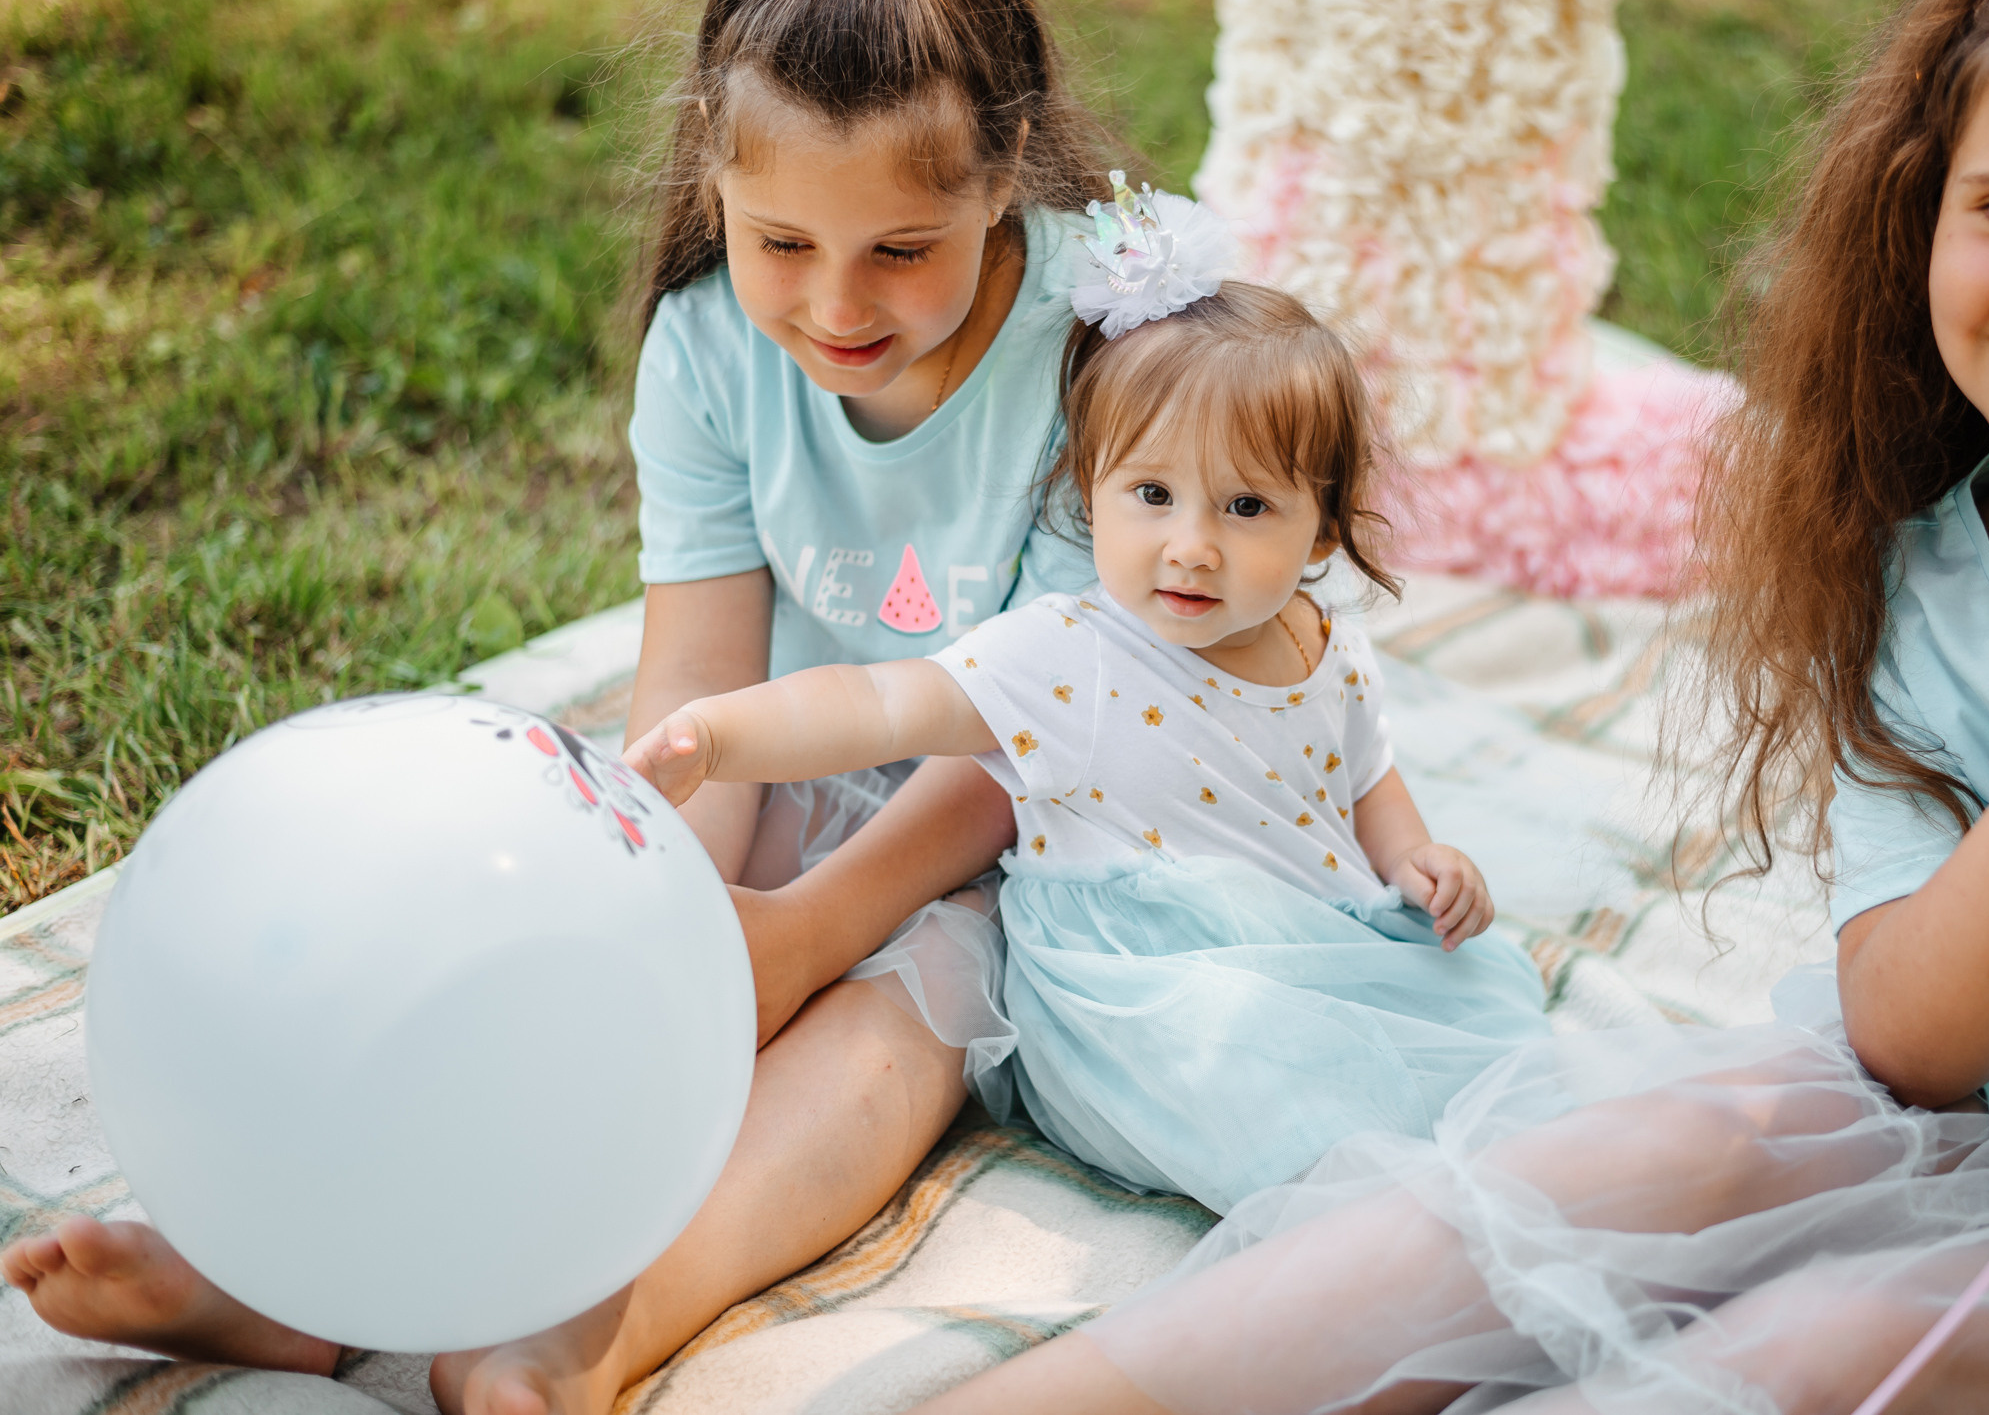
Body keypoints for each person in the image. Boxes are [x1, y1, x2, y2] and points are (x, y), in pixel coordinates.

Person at [901, 0, 1989, 1414]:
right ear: (1929, 216)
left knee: (1821, 1349)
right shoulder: (1927, 566)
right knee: (1613, 1172)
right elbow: (1921, 1041)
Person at [1, 0, 1125, 1415]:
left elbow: (1057, 720)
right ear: (718, 182)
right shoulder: (708, 345)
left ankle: (588, 1328)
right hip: (777, 750)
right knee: (556, 951)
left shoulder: (1099, 350)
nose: (836, 305)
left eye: (902, 251)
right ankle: (308, 1276)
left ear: (1005, 172)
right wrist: (664, 896)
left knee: (888, 1035)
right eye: (782, 243)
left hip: (1025, 822)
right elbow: (702, 673)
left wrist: (809, 935)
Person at [626, 186, 1552, 1216]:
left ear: (1324, 531)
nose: (1191, 545)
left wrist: (1414, 857)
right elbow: (878, 704)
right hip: (1136, 995)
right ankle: (1352, 1196)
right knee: (1280, 1090)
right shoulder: (1070, 654)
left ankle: (1418, 1165)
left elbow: (1366, 770)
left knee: (1471, 1040)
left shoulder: (1323, 645)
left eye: (1246, 507)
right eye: (1152, 497)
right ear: (1092, 489)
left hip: (1292, 934)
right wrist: (718, 733)